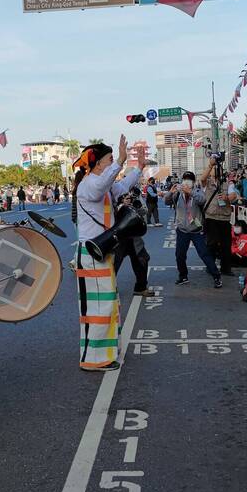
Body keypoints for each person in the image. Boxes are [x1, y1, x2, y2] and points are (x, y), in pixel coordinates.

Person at [73, 137, 142, 372]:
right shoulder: (88, 184)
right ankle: (95, 359)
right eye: (109, 158)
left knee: (108, 305)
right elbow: (101, 187)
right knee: (99, 308)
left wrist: (138, 168)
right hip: (92, 252)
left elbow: (121, 187)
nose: (113, 161)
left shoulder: (101, 183)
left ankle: (105, 353)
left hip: (101, 251)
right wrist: (121, 162)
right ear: (97, 163)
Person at [164, 171, 222, 288]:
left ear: (193, 182)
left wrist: (190, 192)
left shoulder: (197, 192)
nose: (187, 181)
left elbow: (202, 200)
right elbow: (166, 201)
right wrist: (171, 193)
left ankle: (216, 276)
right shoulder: (178, 194)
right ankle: (183, 276)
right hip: (182, 230)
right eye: (185, 179)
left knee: (204, 254)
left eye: (189, 179)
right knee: (180, 255)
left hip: (196, 230)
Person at [201, 156, 237, 276]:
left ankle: (226, 268)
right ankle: (210, 266)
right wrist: (210, 165)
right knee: (211, 243)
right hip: (211, 217)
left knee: (226, 244)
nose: (217, 170)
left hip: (224, 218)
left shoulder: (228, 184)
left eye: (218, 168)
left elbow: (233, 196)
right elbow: (202, 178)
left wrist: (227, 198)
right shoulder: (207, 183)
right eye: (214, 168)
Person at [113, 191, 154, 297]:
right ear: (120, 199)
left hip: (135, 240)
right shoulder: (116, 208)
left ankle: (141, 288)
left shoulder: (133, 205)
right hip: (120, 241)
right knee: (113, 265)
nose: (129, 200)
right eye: (126, 198)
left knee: (143, 260)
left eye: (129, 198)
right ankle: (109, 288)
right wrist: (121, 206)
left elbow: (144, 211)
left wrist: (138, 200)